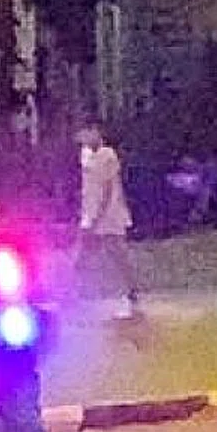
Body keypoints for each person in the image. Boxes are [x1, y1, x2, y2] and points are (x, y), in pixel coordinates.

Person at [76, 122, 138, 318]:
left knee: (118, 254)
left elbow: (109, 189)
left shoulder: (108, 155)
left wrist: (99, 215)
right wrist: (88, 213)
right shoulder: (85, 154)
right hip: (90, 212)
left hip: (108, 213)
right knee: (82, 255)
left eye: (87, 133)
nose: (84, 138)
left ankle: (131, 293)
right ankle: (76, 295)